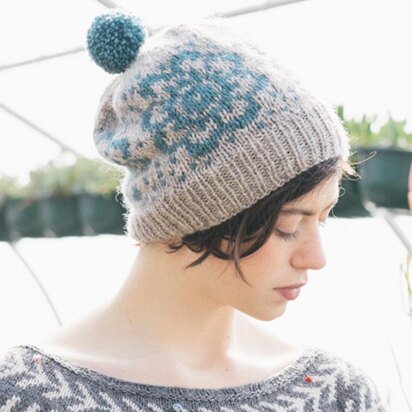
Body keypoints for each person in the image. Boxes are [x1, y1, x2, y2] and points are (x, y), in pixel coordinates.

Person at [0, 11, 388, 411]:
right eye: (288, 225)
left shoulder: (337, 395)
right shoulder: (25, 397)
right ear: (195, 214)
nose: (317, 258)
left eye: (322, 219)